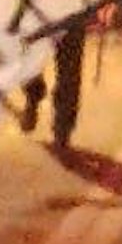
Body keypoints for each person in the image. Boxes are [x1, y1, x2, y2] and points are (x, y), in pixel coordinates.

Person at [18, 14, 87, 149]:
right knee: (29, 61)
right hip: (36, 10)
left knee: (69, 72)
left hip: (70, 11)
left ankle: (62, 132)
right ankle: (33, 96)